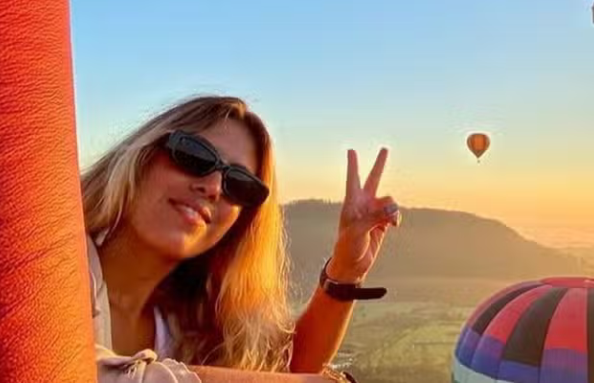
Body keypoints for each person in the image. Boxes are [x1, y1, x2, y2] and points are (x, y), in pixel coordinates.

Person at [84, 95, 401, 383]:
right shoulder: (62, 266)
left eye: (239, 184)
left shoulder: (184, 318)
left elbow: (288, 366)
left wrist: (346, 270)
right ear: (144, 156)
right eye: (195, 156)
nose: (213, 186)